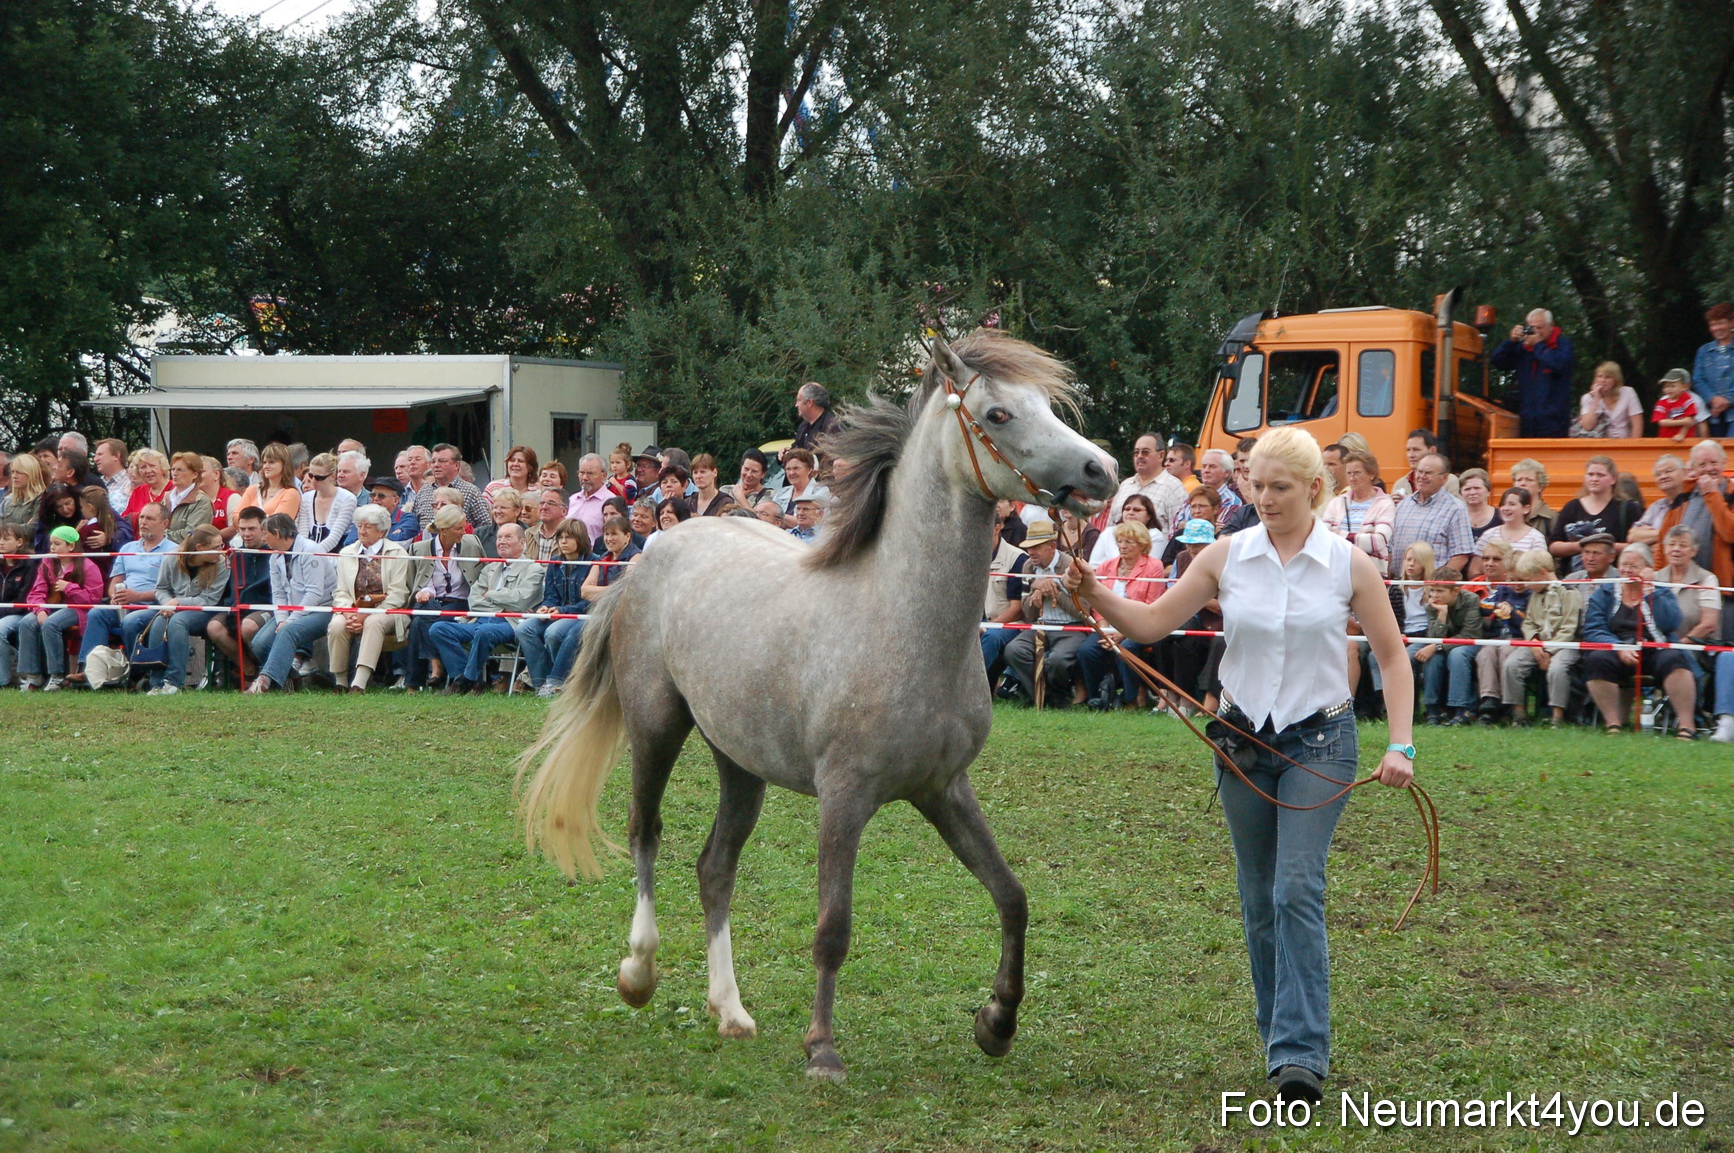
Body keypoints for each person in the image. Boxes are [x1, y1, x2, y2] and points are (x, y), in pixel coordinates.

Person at [1066, 426, 1413, 1102]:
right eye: (1258, 486)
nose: (1267, 498)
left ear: (1314, 488)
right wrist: (1097, 592)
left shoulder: (1348, 564)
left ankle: (1300, 1055)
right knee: (1258, 897)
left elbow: (1394, 658)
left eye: (1281, 487)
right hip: (1243, 742)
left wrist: (1400, 744)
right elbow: (1152, 624)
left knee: (1295, 888)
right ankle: (1278, 1035)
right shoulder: (1228, 555)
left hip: (1322, 742)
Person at [1582, 543, 1696, 738]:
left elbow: (1671, 623)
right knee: (1597, 660)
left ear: (1647, 568)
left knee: (1674, 659)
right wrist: (1618, 647)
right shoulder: (1605, 593)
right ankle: (1613, 724)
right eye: (1623, 565)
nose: (1627, 570)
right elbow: (1593, 629)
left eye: (1633, 566)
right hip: (1617, 649)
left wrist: (1651, 592)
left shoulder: (1661, 591)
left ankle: (1687, 727)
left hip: (1655, 649)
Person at [427, 523, 543, 693]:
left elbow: (520, 601)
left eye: (508, 537)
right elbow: (474, 600)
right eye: (499, 537)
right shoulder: (490, 568)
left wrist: (490, 594)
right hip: (480, 620)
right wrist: (501, 606)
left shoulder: (534, 569)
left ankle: (465, 681)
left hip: (510, 624)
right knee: (438, 629)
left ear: (522, 542)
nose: (501, 541)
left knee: (485, 631)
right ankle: (465, 678)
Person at [76, 502, 178, 679]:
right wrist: (114, 595)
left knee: (131, 621)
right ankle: (89, 669)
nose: (143, 522)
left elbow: (172, 590)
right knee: (96, 613)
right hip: (124, 604)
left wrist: (137, 596)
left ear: (165, 524)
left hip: (153, 607)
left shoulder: (174, 551)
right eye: (142, 517)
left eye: (150, 518)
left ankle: (136, 672)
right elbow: (116, 580)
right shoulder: (128, 548)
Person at [325, 503, 414, 692]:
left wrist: (366, 615)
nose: (362, 531)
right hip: (353, 610)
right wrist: (349, 613)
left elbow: (398, 594)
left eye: (368, 527)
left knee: (374, 622)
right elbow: (341, 591)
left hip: (389, 611)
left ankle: (359, 682)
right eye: (359, 526)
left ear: (381, 531)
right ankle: (340, 681)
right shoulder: (347, 553)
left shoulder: (397, 553)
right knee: (337, 625)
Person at [1077, 520, 1165, 710]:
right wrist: (1104, 629)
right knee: (1086, 650)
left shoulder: (1154, 567)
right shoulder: (1106, 566)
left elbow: (1151, 605)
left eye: (1129, 542)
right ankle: (1096, 698)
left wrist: (1122, 633)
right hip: (1108, 626)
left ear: (1142, 544)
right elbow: (1097, 602)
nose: (1122, 546)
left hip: (1139, 625)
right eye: (1120, 541)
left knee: (1126, 648)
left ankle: (1129, 699)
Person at [246, 513, 337, 693]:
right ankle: (293, 678)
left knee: (288, 631)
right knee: (259, 644)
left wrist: (289, 620)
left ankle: (265, 682)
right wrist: (282, 619)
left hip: (323, 609)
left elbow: (314, 593)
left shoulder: (311, 550)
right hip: (292, 610)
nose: (263, 539)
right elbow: (278, 593)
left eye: (266, 534)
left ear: (277, 533)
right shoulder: (275, 557)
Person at [136, 524, 230, 695]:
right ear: (199, 548)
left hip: (207, 610)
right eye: (216, 547)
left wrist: (177, 602)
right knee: (160, 621)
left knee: (178, 622)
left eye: (222, 545)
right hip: (173, 607)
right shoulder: (172, 558)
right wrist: (168, 604)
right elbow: (161, 588)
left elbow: (209, 599)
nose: (221, 551)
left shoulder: (222, 564)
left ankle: (174, 682)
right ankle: (156, 683)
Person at [1004, 520, 1087, 707]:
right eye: (1029, 547)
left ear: (1052, 546)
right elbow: (1028, 614)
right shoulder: (1028, 567)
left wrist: (1054, 591)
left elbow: (1083, 612)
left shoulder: (1072, 566)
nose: (1031, 552)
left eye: (1036, 547)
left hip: (1071, 627)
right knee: (1014, 650)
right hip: (1039, 625)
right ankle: (1041, 695)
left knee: (1058, 660)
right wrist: (1035, 593)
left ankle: (1058, 694)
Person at [15, 526, 105, 691]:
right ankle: (33, 675)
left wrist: (69, 588)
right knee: (26, 623)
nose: (52, 548)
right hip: (50, 606)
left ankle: (57, 675)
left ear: (71, 546)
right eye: (51, 543)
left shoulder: (88, 566)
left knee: (51, 624)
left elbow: (93, 598)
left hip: (77, 608)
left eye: (57, 544)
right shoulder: (47, 563)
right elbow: (37, 591)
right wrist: (40, 610)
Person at [405, 505, 484, 690]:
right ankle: (439, 669)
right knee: (426, 609)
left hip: (460, 603)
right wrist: (424, 592)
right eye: (458, 528)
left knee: (419, 623)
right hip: (431, 602)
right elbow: (413, 581)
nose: (463, 532)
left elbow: (484, 573)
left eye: (464, 527)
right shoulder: (419, 548)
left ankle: (419, 678)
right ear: (443, 530)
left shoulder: (472, 543)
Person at [517, 518, 591, 698]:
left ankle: (559, 682)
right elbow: (550, 596)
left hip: (581, 615)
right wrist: (545, 607)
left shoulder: (593, 562)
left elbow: (590, 602)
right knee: (523, 629)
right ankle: (541, 683)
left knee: (553, 633)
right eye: (560, 538)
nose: (563, 542)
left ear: (580, 539)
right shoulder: (555, 562)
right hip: (557, 613)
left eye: (568, 537)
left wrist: (562, 611)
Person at [205, 507, 272, 675]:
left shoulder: (275, 554)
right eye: (242, 529)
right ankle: (248, 669)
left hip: (266, 607)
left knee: (248, 626)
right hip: (237, 606)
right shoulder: (235, 555)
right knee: (214, 627)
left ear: (263, 529)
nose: (246, 534)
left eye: (251, 529)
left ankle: (268, 670)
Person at [1412, 567, 1483, 725]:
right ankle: (1432, 710)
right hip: (1444, 642)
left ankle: (1461, 710)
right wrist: (1442, 615)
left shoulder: (1471, 600)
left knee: (1457, 655)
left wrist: (1437, 646)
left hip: (1468, 643)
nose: (1434, 595)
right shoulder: (1432, 604)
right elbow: (1433, 637)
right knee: (1430, 658)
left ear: (1456, 591)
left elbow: (1470, 634)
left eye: (1440, 591)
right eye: (1432, 590)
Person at [1549, 455, 1643, 573]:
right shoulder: (1572, 507)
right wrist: (1582, 545)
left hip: (1614, 576)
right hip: (1575, 578)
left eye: (1600, 475)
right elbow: (1554, 546)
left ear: (1613, 479)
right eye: (1590, 474)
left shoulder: (1628, 508)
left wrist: (1604, 547)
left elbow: (1639, 547)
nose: (1594, 479)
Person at [1491, 307, 1576, 437]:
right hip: (1527, 418)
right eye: (1532, 327)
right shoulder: (1524, 348)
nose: (1536, 332)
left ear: (1551, 326)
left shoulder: (1563, 345)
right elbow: (1498, 362)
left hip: (1554, 420)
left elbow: (1559, 364)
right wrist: (1511, 342)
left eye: (1540, 328)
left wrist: (1538, 346)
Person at [1102, 433, 1188, 557]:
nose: (1139, 456)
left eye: (1145, 452)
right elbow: (1110, 526)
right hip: (1117, 560)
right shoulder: (1125, 486)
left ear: (1161, 455)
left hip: (1155, 561)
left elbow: (1178, 533)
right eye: (1136, 452)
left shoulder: (1174, 488)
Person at [1470, 541, 1528, 723]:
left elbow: (1529, 622)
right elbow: (1482, 604)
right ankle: (1489, 699)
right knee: (1485, 653)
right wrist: (1497, 605)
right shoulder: (1502, 592)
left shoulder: (1531, 596)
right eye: (1512, 580)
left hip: (1518, 639)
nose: (1516, 584)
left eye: (1521, 580)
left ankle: (1507, 701)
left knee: (1506, 652)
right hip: (1495, 637)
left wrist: (1513, 612)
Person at [1389, 452, 1473, 576]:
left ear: (1444, 478)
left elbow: (1461, 555)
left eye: (1428, 473)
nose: (1421, 477)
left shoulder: (1455, 508)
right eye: (1419, 471)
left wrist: (1437, 583)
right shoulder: (1403, 505)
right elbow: (1391, 548)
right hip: (1398, 584)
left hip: (1432, 585)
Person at [1323, 450, 1395, 574]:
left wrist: (1340, 535)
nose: (1352, 478)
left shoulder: (1385, 504)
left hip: (1370, 574)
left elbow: (1379, 541)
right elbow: (1323, 537)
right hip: (1338, 572)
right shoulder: (1337, 502)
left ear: (1372, 474)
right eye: (1349, 473)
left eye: (1357, 473)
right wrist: (1364, 538)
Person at [981, 507, 1029, 688]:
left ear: (997, 528)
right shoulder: (973, 557)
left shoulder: (1017, 559)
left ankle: (972, 685)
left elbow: (1017, 609)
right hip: (984, 622)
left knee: (991, 637)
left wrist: (986, 627)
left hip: (1012, 624)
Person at [412, 443, 491, 532]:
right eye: (433, 462)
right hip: (427, 540)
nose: (436, 465)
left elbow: (486, 528)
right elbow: (413, 524)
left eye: (442, 461)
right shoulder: (424, 491)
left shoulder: (471, 491)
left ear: (456, 465)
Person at [0, 523, 39, 688]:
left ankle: (3, 681)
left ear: (20, 542)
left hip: (20, 613)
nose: (1, 542)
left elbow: (23, 601)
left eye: (6, 539)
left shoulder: (30, 565)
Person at [296, 452, 356, 556]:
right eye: (311, 475)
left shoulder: (347, 499)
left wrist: (312, 555)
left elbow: (334, 538)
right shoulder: (306, 498)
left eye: (319, 477)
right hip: (309, 557)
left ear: (333, 476)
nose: (313, 480)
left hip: (337, 557)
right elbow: (303, 534)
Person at [1693, 302, 1734, 437]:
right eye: (1713, 324)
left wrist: (1728, 400)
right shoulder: (1704, 351)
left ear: (1731, 322)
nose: (1717, 328)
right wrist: (1713, 399)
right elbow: (1698, 379)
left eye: (1721, 323)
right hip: (1712, 415)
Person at [1628, 455, 1688, 546]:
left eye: (1668, 471)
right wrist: (1665, 534)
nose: (1663, 476)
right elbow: (1632, 536)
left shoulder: (1694, 503)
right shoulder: (1656, 506)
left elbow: (1687, 536)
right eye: (1658, 474)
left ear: (1684, 472)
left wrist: (1651, 537)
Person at [1575, 361, 1644, 438]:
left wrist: (1633, 444)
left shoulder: (1628, 392)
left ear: (1616, 380)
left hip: (1624, 441)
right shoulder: (1588, 398)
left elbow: (1637, 424)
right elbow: (1588, 427)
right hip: (1598, 442)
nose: (1603, 380)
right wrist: (1596, 399)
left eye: (1607, 377)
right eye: (1600, 376)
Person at [1387, 429, 1459, 502]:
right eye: (1408, 450)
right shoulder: (1400, 484)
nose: (1411, 455)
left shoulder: (1449, 481)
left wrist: (1408, 504)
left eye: (1416, 450)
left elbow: (1453, 506)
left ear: (1432, 451)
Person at [240, 443, 302, 522]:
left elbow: (277, 523)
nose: (266, 466)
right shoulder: (252, 490)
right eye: (264, 462)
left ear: (284, 464)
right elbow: (236, 517)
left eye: (271, 462)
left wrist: (249, 520)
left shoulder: (291, 493)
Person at [1651, 368, 1708, 441]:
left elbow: (1690, 420)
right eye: (1666, 386)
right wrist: (1682, 422)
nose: (1669, 389)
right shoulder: (1661, 402)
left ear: (1684, 387)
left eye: (1673, 386)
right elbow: (1661, 422)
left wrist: (1681, 434)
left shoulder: (1689, 400)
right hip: (1666, 439)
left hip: (1686, 440)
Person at [565, 453, 611, 542]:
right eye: (582, 473)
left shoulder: (611, 501)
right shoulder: (572, 499)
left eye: (590, 473)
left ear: (604, 476)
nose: (585, 478)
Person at [775, 449, 829, 526]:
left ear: (809, 469)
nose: (791, 473)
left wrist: (776, 516)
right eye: (788, 469)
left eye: (796, 468)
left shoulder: (821, 492)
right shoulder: (781, 493)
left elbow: (812, 523)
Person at [1508, 458, 1558, 541]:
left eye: (1529, 480)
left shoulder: (1551, 518)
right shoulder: (1507, 514)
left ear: (1540, 486)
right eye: (1519, 480)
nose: (1523, 483)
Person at [197, 455, 242, 542]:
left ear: (217, 474)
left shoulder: (232, 497)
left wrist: (209, 539)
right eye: (195, 472)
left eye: (201, 472)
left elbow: (235, 527)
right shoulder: (191, 499)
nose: (197, 476)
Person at [0, 452, 46, 535]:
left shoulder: (42, 498)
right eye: (13, 472)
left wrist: (7, 530)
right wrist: (23, 527)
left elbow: (33, 529)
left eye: (19, 472)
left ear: (31, 473)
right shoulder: (11, 500)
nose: (14, 476)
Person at [792, 381, 840, 458]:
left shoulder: (833, 426)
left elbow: (834, 458)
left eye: (799, 400)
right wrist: (785, 454)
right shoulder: (803, 426)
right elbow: (797, 451)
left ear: (810, 403)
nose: (796, 405)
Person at [477, 487, 524, 557]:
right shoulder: (480, 534)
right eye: (495, 507)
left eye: (503, 507)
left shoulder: (528, 534)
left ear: (517, 511)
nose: (498, 511)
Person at [1198, 449, 1242, 523]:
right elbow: (1177, 524)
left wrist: (1185, 524)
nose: (1206, 470)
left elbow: (1219, 529)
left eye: (1212, 467)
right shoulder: (1194, 494)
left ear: (1226, 473)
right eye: (1204, 466)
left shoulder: (1231, 502)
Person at [1457, 468, 1499, 544]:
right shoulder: (1455, 518)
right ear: (1461, 493)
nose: (1472, 492)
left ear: (1489, 491)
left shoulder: (1501, 517)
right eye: (1467, 489)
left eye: (1477, 488)